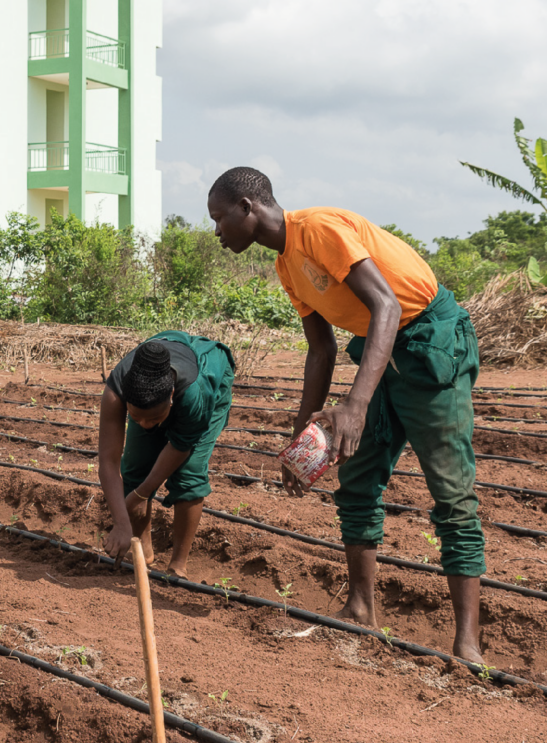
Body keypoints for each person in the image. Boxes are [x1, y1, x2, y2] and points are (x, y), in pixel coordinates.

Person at [207, 166, 485, 662]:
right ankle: (360, 609)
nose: (217, 231)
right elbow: (320, 350)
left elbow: (387, 306)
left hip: (427, 341)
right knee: (355, 476)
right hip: (378, 352)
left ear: (247, 208)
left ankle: (468, 644)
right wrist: (301, 443)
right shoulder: (285, 266)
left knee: (451, 491)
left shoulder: (318, 230)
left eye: (219, 217)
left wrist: (355, 405)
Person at [100, 332, 235, 578]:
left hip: (208, 370)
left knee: (188, 475)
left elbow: (181, 446)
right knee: (134, 468)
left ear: (171, 397)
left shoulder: (196, 393)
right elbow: (109, 463)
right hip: (163, 369)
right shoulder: (117, 389)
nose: (145, 425)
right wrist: (122, 522)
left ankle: (178, 566)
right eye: (135, 416)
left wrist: (141, 494)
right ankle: (142, 551)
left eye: (153, 418)